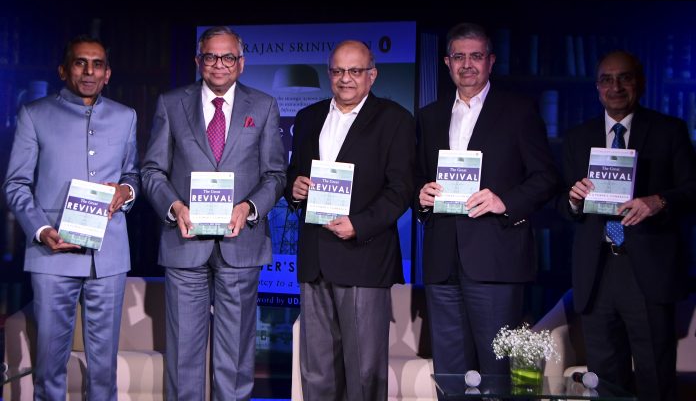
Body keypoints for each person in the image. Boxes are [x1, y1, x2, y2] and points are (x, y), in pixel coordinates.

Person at [140, 25, 285, 400]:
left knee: (235, 355)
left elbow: (275, 175)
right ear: (198, 60)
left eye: (228, 57)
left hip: (241, 242)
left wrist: (249, 207)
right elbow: (152, 170)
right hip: (185, 241)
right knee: (183, 354)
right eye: (211, 56)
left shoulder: (264, 106)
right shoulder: (171, 103)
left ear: (241, 63)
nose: (219, 64)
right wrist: (174, 206)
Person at [416, 22, 559, 377]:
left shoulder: (519, 111)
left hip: (496, 260)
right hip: (442, 261)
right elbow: (416, 176)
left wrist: (504, 202)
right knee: (450, 375)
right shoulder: (430, 116)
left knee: (497, 374)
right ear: (447, 63)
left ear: (491, 61)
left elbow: (546, 178)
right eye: (459, 57)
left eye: (476, 56)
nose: (467, 64)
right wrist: (420, 194)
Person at [3, 35, 139, 400]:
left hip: (109, 254)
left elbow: (132, 174)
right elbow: (16, 184)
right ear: (64, 70)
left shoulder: (126, 117)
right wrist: (41, 229)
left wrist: (126, 192)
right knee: (50, 364)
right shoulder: (35, 114)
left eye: (97, 64)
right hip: (53, 252)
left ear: (107, 73)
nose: (89, 71)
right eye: (81, 63)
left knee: (104, 368)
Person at [561, 50, 696, 400]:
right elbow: (562, 204)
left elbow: (692, 190)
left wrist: (658, 201)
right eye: (606, 80)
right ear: (597, 88)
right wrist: (573, 200)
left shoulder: (669, 131)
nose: (616, 87)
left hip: (647, 273)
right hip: (597, 273)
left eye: (625, 78)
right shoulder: (578, 137)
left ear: (640, 83)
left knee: (655, 379)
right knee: (605, 383)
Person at [286, 40, 415, 400]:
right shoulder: (308, 117)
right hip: (315, 257)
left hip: (364, 257)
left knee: (364, 372)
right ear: (329, 74)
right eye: (338, 71)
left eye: (355, 71)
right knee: (316, 372)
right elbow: (293, 176)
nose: (346, 78)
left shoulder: (395, 119)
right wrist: (293, 188)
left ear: (372, 75)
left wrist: (360, 224)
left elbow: (401, 189)